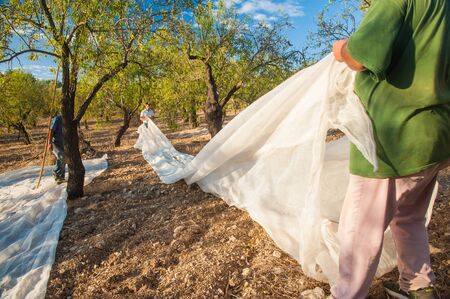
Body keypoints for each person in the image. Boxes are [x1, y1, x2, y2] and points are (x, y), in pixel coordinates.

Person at [331, 0, 449, 298]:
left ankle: (346, 295)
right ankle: (419, 288)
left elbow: (360, 57)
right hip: (435, 136)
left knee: (359, 233)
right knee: (409, 216)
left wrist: (341, 49)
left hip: (393, 139)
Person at [48, 113, 65, 184]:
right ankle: (56, 173)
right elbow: (51, 130)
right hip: (55, 143)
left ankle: (61, 177)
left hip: (63, 143)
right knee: (62, 157)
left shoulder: (69, 118)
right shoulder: (57, 119)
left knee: (63, 159)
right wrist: (49, 143)